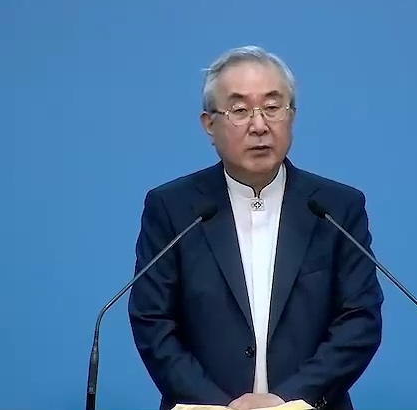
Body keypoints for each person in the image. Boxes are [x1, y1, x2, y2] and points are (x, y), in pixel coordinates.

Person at [128, 46, 384, 410]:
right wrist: (219, 406)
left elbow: (359, 320)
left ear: (291, 116)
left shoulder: (337, 208)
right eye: (240, 110)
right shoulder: (172, 208)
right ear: (209, 125)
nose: (259, 125)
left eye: (273, 107)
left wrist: (289, 401)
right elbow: (153, 321)